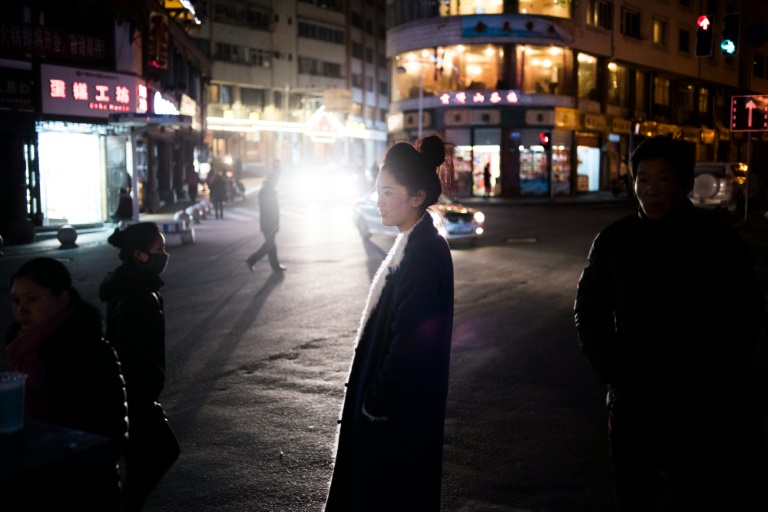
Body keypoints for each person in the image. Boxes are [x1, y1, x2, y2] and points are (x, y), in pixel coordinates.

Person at [574, 135, 766, 510]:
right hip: (632, 401)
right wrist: (611, 371)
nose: (651, 189)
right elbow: (589, 309)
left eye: (663, 179)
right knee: (632, 493)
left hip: (697, 405)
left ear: (686, 183)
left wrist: (722, 382)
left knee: (694, 492)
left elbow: (746, 316)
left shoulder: (718, 242)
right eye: (642, 178)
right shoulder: (614, 240)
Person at [324, 134, 455, 512]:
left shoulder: (424, 252)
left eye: (386, 192)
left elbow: (412, 344)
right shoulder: (413, 241)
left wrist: (374, 405)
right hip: (396, 418)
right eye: (376, 191)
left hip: (397, 423)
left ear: (416, 197)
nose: (377, 201)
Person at [5, 257, 128, 510]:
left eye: (32, 299)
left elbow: (112, 428)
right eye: (16, 300)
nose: (22, 310)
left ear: (63, 298)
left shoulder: (88, 351)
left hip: (82, 487)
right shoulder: (21, 348)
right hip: (34, 481)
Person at [99, 222, 180, 512]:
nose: (164, 254)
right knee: (164, 451)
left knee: (139, 459)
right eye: (159, 249)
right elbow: (129, 348)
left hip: (133, 392)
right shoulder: (137, 294)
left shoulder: (134, 285)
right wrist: (145, 390)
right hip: (136, 394)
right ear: (140, 255)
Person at [245, 169, 286, 272]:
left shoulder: (267, 191)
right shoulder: (268, 192)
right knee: (269, 245)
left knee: (271, 245)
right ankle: (251, 260)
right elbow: (271, 210)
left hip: (268, 223)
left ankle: (275, 266)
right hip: (269, 224)